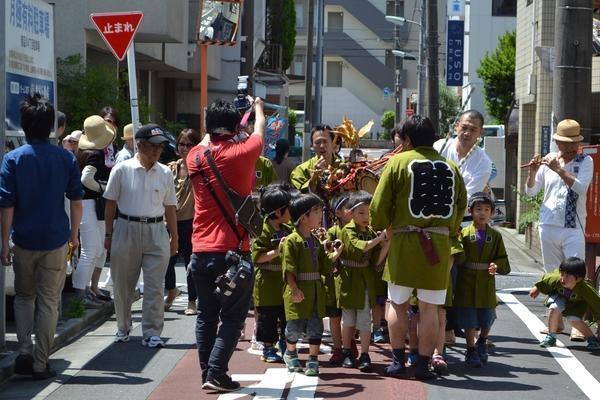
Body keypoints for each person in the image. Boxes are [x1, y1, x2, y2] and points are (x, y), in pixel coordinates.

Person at [370, 115, 467, 380]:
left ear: (407, 140)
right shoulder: (450, 167)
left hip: (403, 242)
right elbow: (460, 205)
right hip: (438, 244)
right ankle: (424, 365)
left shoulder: (398, 163)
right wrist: (449, 229)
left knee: (397, 303)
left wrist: (384, 224)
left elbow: (377, 209)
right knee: (430, 309)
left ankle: (399, 362)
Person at [0, 93, 83, 379]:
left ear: (24, 126)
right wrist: (74, 235)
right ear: (51, 127)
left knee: (24, 297)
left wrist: (4, 243)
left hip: (23, 239)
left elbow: (7, 204)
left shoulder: (13, 159)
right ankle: (40, 362)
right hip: (56, 239)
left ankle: (24, 351)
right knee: (49, 301)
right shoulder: (65, 158)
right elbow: (75, 201)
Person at [186, 97, 265, 393]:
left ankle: (208, 371)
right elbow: (260, 127)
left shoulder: (194, 156)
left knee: (206, 315)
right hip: (232, 252)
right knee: (232, 317)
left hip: (200, 250)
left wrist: (224, 119)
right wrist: (255, 107)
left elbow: (209, 137)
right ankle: (217, 372)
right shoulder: (243, 152)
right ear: (235, 127)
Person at [103, 124, 178, 348]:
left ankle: (152, 332)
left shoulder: (165, 172)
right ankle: (123, 327)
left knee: (155, 285)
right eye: (153, 146)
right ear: (140, 145)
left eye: (161, 147)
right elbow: (110, 203)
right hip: (126, 227)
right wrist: (108, 233)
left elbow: (170, 207)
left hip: (157, 230)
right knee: (123, 284)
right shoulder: (122, 169)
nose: (157, 151)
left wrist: (174, 235)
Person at [525, 119, 593, 341]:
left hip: (573, 226)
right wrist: (533, 172)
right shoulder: (550, 160)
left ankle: (577, 321)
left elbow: (581, 187)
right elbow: (531, 192)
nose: (566, 146)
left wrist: (559, 170)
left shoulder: (585, 161)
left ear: (577, 143)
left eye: (570, 142)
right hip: (548, 224)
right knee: (554, 274)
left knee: (575, 276)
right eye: (562, 142)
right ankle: (557, 321)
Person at [281, 193, 343, 376]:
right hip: (298, 290)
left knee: (316, 326)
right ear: (303, 216)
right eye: (316, 212)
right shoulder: (292, 240)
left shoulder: (316, 241)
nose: (320, 215)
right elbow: (288, 268)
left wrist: (335, 254)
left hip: (316, 291)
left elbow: (325, 265)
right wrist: (294, 289)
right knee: (294, 327)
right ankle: (290, 352)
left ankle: (313, 361)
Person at [454, 192, 510, 368]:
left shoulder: (495, 236)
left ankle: (482, 341)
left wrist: (497, 266)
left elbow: (503, 258)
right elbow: (457, 258)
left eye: (487, 209)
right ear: (471, 211)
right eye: (478, 209)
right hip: (466, 281)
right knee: (469, 316)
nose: (482, 213)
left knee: (487, 316)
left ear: (492, 213)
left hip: (486, 281)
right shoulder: (463, 233)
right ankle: (470, 349)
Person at [338, 191, 390, 372]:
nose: (366, 217)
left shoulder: (370, 232)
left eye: (369, 213)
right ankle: (347, 352)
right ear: (350, 213)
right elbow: (359, 247)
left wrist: (386, 244)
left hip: (365, 280)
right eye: (361, 212)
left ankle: (365, 354)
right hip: (348, 280)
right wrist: (380, 239)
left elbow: (376, 260)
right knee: (349, 320)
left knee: (364, 320)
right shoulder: (347, 230)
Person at [72, 115, 116, 308]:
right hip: (89, 203)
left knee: (95, 250)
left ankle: (86, 290)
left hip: (86, 204)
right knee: (91, 251)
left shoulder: (83, 151)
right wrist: (104, 188)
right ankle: (80, 293)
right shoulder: (96, 154)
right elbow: (86, 178)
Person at [251, 184, 293, 363]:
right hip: (267, 282)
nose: (292, 212)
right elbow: (257, 257)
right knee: (267, 318)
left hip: (283, 282)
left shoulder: (288, 230)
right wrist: (277, 250)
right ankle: (268, 348)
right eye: (288, 209)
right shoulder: (262, 229)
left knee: (286, 316)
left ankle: (285, 344)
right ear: (278, 211)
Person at [164, 128, 202, 315]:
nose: (185, 148)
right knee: (166, 260)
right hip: (169, 220)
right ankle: (171, 290)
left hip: (191, 221)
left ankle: (192, 300)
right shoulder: (170, 168)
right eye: (181, 144)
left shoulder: (200, 168)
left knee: (190, 262)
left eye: (189, 144)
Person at [529, 257, 600, 350]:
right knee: (554, 307)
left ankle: (592, 339)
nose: (563, 279)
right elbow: (545, 279)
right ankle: (551, 337)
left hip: (576, 303)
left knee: (573, 319)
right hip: (559, 295)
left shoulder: (586, 289)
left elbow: (597, 305)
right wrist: (537, 288)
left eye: (567, 276)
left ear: (578, 279)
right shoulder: (556, 279)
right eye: (562, 274)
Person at [290, 125, 343, 228]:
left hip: (341, 222)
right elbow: (300, 200)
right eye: (318, 142)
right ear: (311, 145)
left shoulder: (344, 167)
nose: (322, 146)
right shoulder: (301, 170)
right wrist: (313, 179)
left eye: (325, 141)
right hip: (314, 224)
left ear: (333, 143)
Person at [434, 110, 492, 200]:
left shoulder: (484, 162)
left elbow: (469, 197)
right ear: (456, 126)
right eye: (464, 128)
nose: (467, 133)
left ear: (481, 131)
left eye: (473, 130)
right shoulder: (439, 147)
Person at [325, 193, 354, 366]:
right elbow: (327, 254)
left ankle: (348, 345)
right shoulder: (332, 231)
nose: (352, 211)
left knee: (351, 316)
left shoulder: (359, 230)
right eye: (348, 207)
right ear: (338, 213)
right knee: (335, 317)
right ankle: (338, 348)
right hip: (334, 278)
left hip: (353, 278)